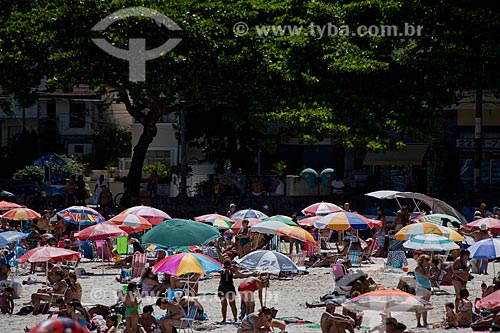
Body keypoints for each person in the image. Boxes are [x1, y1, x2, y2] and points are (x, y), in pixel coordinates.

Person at [415, 254, 432, 328]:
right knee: (419, 306)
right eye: (427, 260)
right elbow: (426, 276)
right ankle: (418, 322)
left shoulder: (424, 268)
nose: (428, 262)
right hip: (421, 288)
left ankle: (425, 322)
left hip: (427, 288)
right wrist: (428, 267)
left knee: (425, 306)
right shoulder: (418, 268)